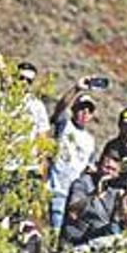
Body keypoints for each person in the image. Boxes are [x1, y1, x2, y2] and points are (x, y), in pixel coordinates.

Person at [46, 81, 97, 231]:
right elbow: (60, 108)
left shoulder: (90, 141)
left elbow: (89, 168)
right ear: (74, 109)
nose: (85, 113)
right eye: (81, 109)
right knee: (53, 231)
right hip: (55, 189)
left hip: (74, 197)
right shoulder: (65, 125)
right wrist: (76, 88)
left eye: (89, 111)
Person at [61, 150, 121, 247]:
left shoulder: (112, 192)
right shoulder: (83, 183)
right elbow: (73, 212)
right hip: (78, 237)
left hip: (100, 239)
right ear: (98, 166)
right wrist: (93, 195)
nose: (109, 173)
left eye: (113, 170)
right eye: (107, 168)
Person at [16, 62, 49, 138]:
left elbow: (42, 134)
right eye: (21, 78)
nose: (24, 82)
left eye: (29, 81)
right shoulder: (0, 98)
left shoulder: (37, 105)